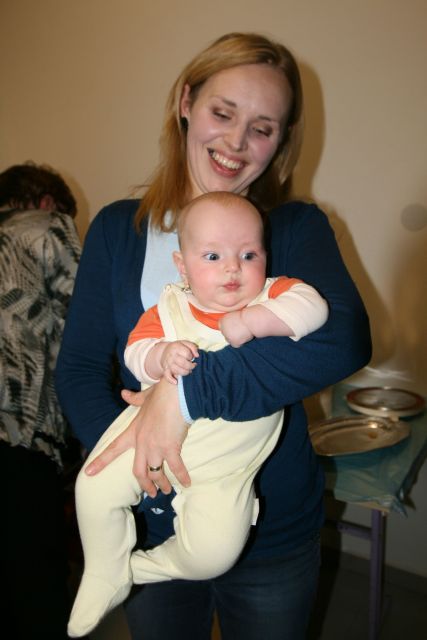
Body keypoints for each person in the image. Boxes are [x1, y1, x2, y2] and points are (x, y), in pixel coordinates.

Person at [56, 32, 371, 640]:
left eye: (262, 127)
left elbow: (344, 339)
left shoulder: (293, 229)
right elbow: (79, 370)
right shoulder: (119, 230)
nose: (236, 142)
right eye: (223, 113)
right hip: (150, 518)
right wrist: (142, 467)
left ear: (281, 141)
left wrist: (184, 396)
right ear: (186, 103)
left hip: (270, 527)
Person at [67, 191, 329, 637]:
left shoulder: (273, 294)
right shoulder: (170, 307)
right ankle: (103, 569)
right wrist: (160, 357)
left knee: (215, 551)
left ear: (265, 257)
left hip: (226, 467)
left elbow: (316, 308)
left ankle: (140, 568)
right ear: (183, 266)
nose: (233, 268)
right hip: (152, 440)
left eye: (249, 255)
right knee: (91, 488)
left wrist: (253, 322)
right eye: (212, 256)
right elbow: (135, 353)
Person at [0, 162, 81, 639]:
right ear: (49, 202)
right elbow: (86, 333)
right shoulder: (48, 228)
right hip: (18, 436)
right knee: (35, 591)